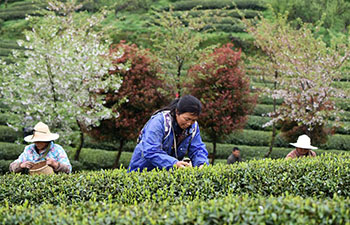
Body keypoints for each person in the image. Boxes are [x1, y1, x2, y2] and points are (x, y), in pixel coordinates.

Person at [128, 95, 209, 172]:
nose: (189, 123)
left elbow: (197, 149)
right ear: (177, 112)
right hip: (142, 171)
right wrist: (173, 163)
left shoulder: (193, 126)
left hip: (167, 175)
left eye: (193, 120)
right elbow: (151, 151)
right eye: (187, 119)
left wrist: (201, 164)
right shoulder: (159, 122)